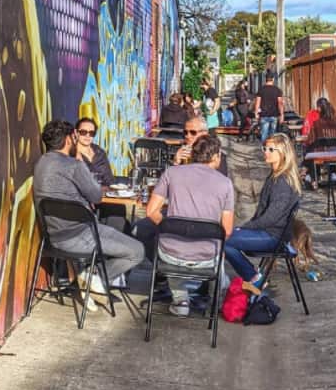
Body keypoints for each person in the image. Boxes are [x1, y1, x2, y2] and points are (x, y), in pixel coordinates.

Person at [33, 120, 144, 299]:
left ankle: (89, 277)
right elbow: (97, 196)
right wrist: (78, 159)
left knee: (114, 225)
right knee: (137, 251)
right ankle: (95, 277)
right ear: (70, 139)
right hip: (81, 234)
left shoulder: (40, 164)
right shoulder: (73, 165)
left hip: (52, 237)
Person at [143, 135, 235, 316]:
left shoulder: (172, 173)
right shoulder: (225, 184)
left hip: (171, 254)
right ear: (216, 157)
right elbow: (227, 230)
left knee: (167, 241)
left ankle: (180, 300)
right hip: (207, 256)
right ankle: (215, 299)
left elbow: (151, 212)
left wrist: (169, 226)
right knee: (219, 247)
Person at [225, 133, 303, 292]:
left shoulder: (282, 181)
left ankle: (255, 279)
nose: (265, 152)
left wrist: (248, 227)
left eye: (270, 149)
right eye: (265, 148)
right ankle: (254, 277)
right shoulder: (274, 176)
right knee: (224, 238)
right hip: (268, 232)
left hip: (273, 237)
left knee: (225, 240)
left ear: (282, 153)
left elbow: (271, 217)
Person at [254, 75, 285, 143]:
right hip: (274, 115)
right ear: (273, 80)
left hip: (264, 115)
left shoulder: (261, 89)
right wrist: (282, 115)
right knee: (273, 135)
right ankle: (271, 151)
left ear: (266, 80)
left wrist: (256, 113)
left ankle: (264, 151)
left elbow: (258, 102)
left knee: (264, 134)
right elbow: (280, 103)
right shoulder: (277, 90)